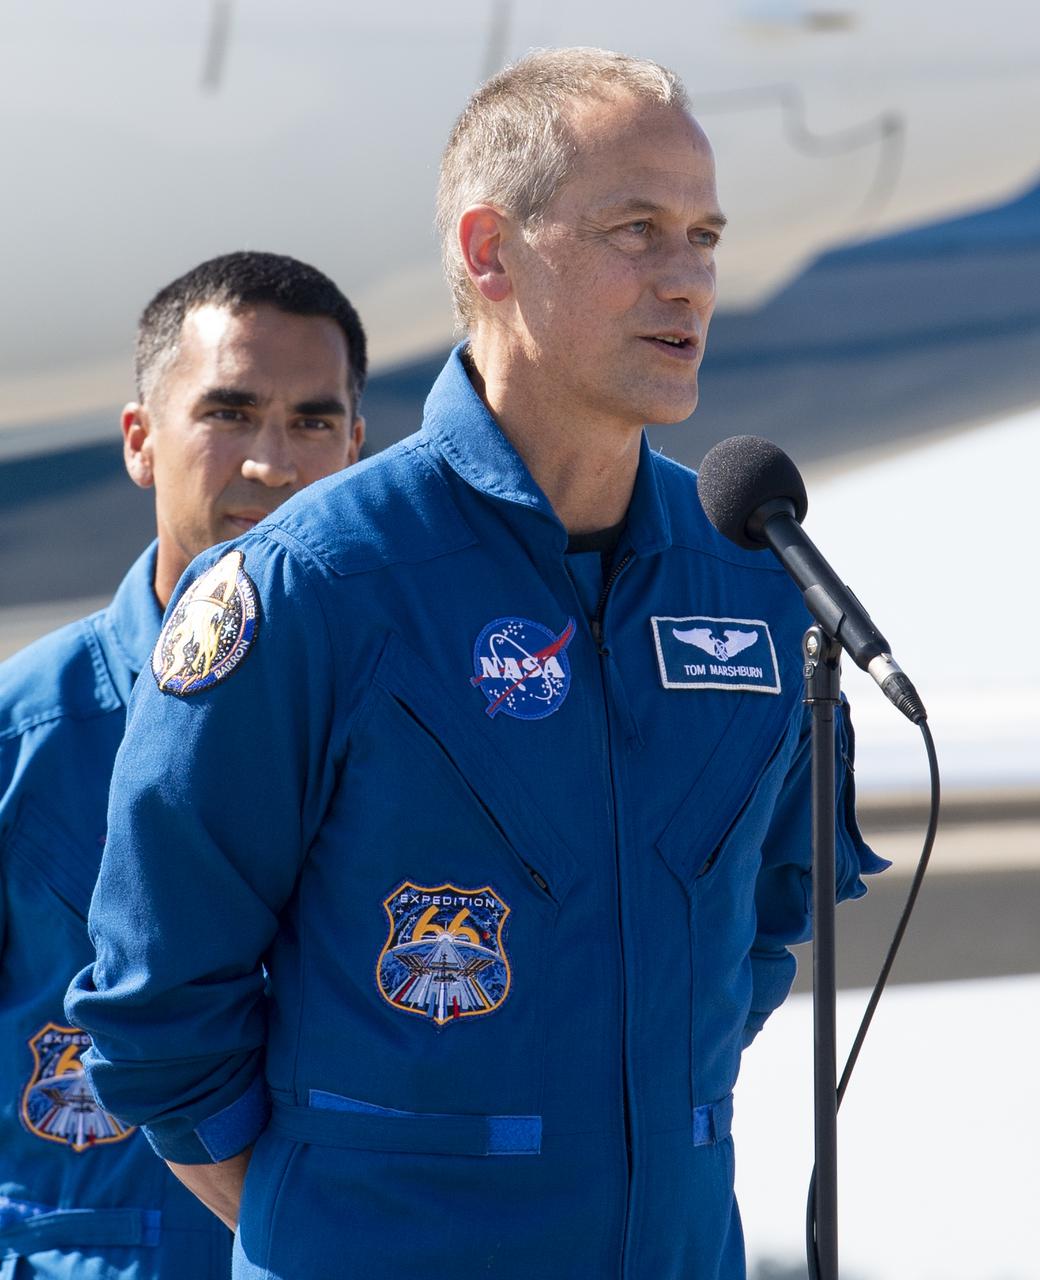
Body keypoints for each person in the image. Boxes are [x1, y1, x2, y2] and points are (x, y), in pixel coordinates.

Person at [67, 51, 885, 1279]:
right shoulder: (311, 587)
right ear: (491, 253)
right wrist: (338, 1215)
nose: (687, 280)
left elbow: (762, 927)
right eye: (635, 230)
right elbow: (155, 1010)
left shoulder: (753, 587)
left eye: (703, 237)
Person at [1, 250, 367, 1278]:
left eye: (312, 421)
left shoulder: (423, 722)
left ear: (359, 448)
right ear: (140, 441)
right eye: (228, 412)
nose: (272, 462)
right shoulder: (23, 742)